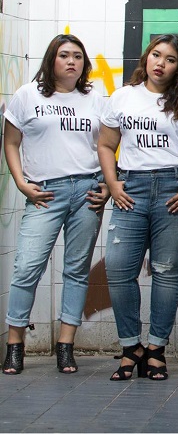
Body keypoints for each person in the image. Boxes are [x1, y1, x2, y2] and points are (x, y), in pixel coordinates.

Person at [98, 34, 178, 381]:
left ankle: (155, 349)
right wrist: (112, 182)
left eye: (169, 58)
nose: (160, 63)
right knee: (119, 269)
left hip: (175, 188)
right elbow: (106, 145)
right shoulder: (124, 97)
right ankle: (129, 346)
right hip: (131, 188)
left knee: (166, 271)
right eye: (156, 55)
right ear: (146, 57)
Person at [2, 34, 108, 375]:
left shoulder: (95, 98)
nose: (72, 61)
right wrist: (21, 182)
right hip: (44, 192)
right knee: (26, 268)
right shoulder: (27, 95)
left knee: (76, 272)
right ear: (52, 60)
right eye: (64, 55)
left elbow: (108, 144)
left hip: (87, 190)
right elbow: (11, 141)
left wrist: (108, 183)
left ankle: (66, 347)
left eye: (78, 55)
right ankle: (15, 345)